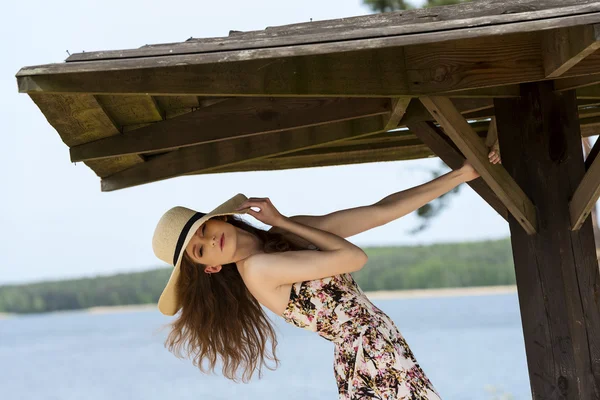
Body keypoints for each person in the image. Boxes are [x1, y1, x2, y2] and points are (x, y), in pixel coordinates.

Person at [152, 153, 500, 399]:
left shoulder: (280, 241)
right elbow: (353, 257)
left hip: (377, 348)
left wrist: (462, 175)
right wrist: (285, 221)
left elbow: (380, 211)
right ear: (211, 267)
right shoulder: (259, 269)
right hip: (371, 357)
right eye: (201, 250)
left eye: (203, 229)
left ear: (220, 218)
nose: (209, 240)